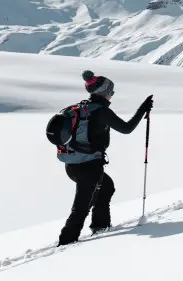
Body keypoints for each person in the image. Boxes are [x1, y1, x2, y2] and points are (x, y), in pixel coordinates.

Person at [57, 71, 153, 246]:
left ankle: (100, 226)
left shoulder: (80, 108)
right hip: (89, 167)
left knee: (106, 187)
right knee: (81, 208)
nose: (112, 95)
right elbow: (127, 128)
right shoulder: (101, 111)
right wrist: (142, 110)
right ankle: (65, 243)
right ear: (104, 92)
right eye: (111, 91)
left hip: (72, 164)